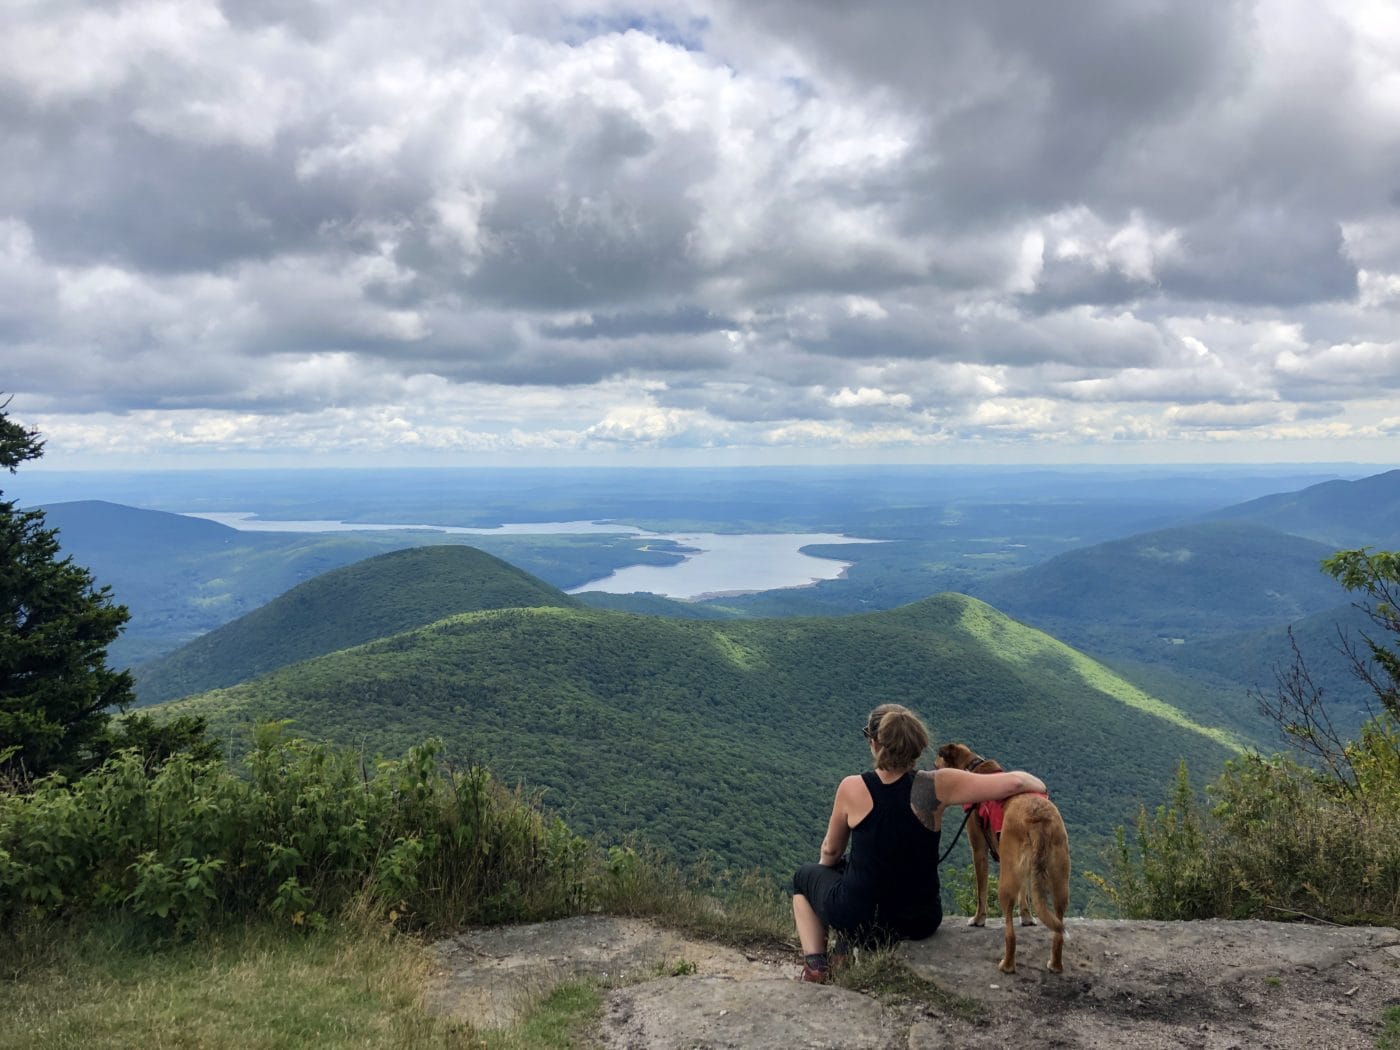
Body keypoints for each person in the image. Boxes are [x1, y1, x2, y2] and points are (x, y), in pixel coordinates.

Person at [790, 703, 1047, 983]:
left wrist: (828, 880)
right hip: (921, 919)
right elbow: (1017, 782)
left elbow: (831, 851)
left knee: (804, 879)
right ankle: (846, 945)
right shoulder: (936, 785)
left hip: (860, 917)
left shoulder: (852, 787)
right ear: (918, 745)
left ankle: (816, 965)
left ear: (875, 744)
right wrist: (1040, 788)